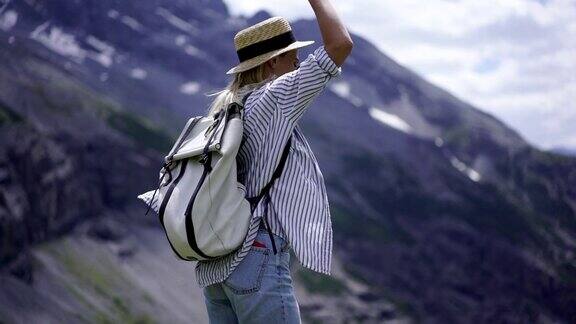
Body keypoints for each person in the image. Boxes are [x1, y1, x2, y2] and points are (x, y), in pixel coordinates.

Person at [197, 1, 353, 323]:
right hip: (257, 255)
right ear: (271, 64)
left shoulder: (228, 109)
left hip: (217, 266)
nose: (297, 62)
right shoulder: (275, 98)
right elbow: (339, 44)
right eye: (291, 55)